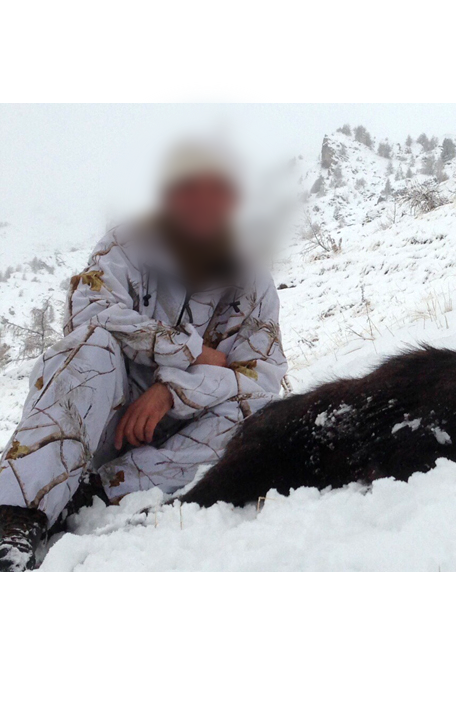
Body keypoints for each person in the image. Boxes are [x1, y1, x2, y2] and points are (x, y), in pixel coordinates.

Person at [0, 142, 288, 571]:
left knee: (261, 414)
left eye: (215, 190)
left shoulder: (254, 284)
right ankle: (13, 520)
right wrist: (188, 349)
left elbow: (260, 377)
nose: (201, 202)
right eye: (188, 187)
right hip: (111, 418)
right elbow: (90, 312)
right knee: (90, 347)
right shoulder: (126, 243)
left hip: (185, 432)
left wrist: (173, 391)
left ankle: (97, 491)